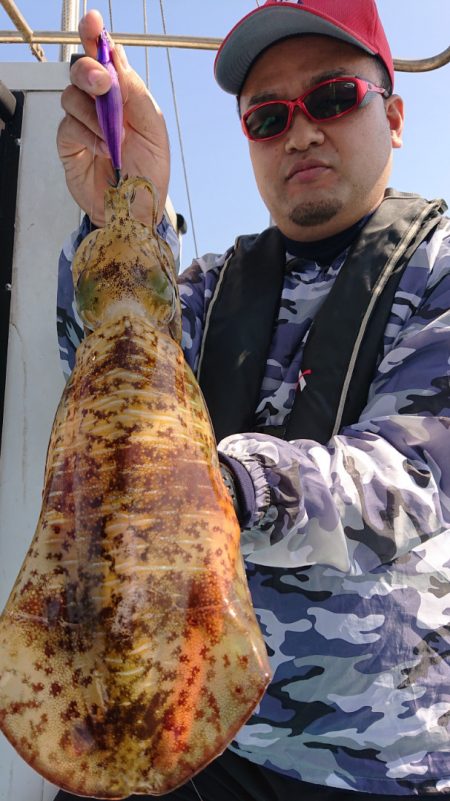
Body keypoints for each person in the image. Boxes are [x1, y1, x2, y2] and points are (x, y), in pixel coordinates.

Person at [55, 1, 450, 799]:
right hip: (185, 721)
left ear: (396, 115)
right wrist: (123, 216)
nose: (300, 131)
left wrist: (212, 484)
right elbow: (93, 362)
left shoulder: (437, 272)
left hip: (371, 760)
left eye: (333, 97)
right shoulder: (204, 286)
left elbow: (409, 478)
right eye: (268, 116)